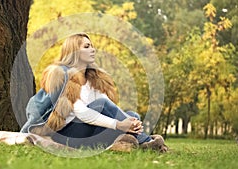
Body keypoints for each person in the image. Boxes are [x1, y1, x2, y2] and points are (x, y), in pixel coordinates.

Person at [27, 32, 167, 152]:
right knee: (107, 108)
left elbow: (110, 108)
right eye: (87, 47)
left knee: (131, 115)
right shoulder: (63, 75)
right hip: (66, 133)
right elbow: (81, 112)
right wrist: (119, 125)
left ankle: (128, 142)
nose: (93, 49)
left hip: (87, 129)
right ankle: (149, 142)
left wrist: (128, 122)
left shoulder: (92, 78)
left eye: (92, 46)